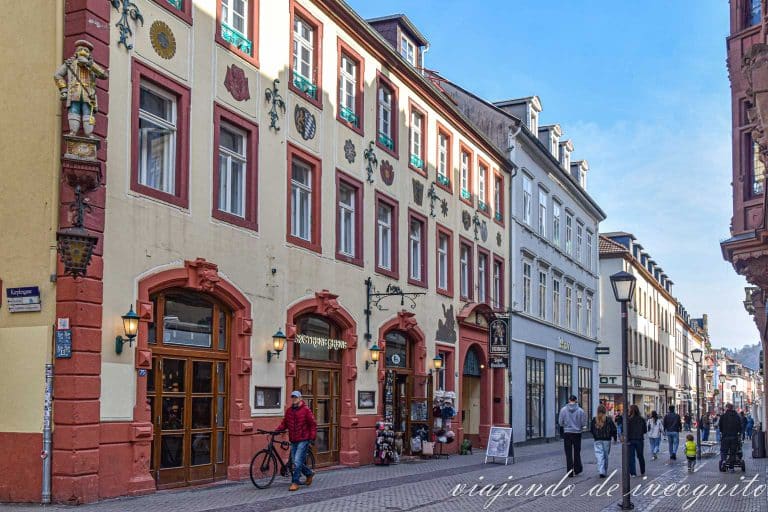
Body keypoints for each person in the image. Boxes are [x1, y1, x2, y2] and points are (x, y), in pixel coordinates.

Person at [276, 390, 317, 491]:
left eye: (296, 397)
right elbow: (284, 423)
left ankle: (295, 482)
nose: (294, 399)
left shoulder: (306, 410)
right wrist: (276, 431)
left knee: (297, 461)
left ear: (300, 399)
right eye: (293, 397)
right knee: (295, 461)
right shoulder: (289, 411)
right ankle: (309, 473)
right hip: (294, 439)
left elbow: (313, 424)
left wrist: (312, 438)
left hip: (304, 439)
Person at [559, 395, 587, 477]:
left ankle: (569, 472)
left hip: (567, 433)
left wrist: (566, 426)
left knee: (568, 453)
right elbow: (583, 423)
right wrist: (579, 426)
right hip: (577, 433)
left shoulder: (563, 410)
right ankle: (577, 469)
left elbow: (560, 422)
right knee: (577, 452)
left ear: (569, 400)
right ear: (576, 400)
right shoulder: (581, 411)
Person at [591, 404, 618, 478]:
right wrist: (615, 438)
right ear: (605, 411)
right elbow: (613, 429)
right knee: (605, 456)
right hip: (607, 440)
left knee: (599, 455)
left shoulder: (594, 419)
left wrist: (595, 436)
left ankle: (601, 470)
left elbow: (592, 430)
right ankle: (604, 471)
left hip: (597, 440)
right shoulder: (608, 419)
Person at [626, 404, 647, 476]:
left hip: (630, 440)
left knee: (631, 457)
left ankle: (633, 473)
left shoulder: (628, 419)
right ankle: (642, 471)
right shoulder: (641, 419)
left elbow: (625, 430)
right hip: (639, 439)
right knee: (640, 456)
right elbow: (645, 430)